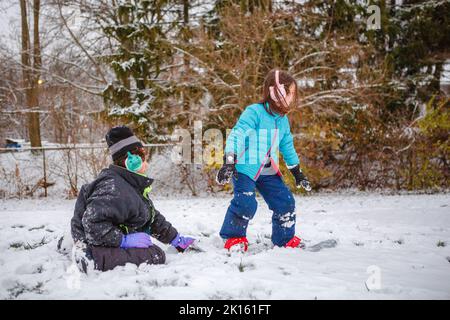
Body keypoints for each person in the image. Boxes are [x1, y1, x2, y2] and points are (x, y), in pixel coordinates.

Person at [70, 126, 195, 272]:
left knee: (153, 251)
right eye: (142, 158)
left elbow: (150, 216)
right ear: (131, 160)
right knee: (155, 254)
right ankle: (88, 260)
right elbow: (92, 224)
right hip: (93, 246)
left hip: (103, 239)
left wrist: (175, 239)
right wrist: (123, 240)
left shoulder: (129, 183)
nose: (146, 162)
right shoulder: (114, 188)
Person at [216, 69, 312, 252]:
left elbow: (287, 146)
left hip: (268, 170)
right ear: (278, 93)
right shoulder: (255, 112)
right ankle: (233, 237)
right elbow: (237, 134)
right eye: (290, 92)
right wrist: (229, 161)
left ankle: (284, 238)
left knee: (285, 202)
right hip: (245, 167)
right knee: (246, 202)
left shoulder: (283, 121)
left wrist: (297, 173)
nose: (293, 97)